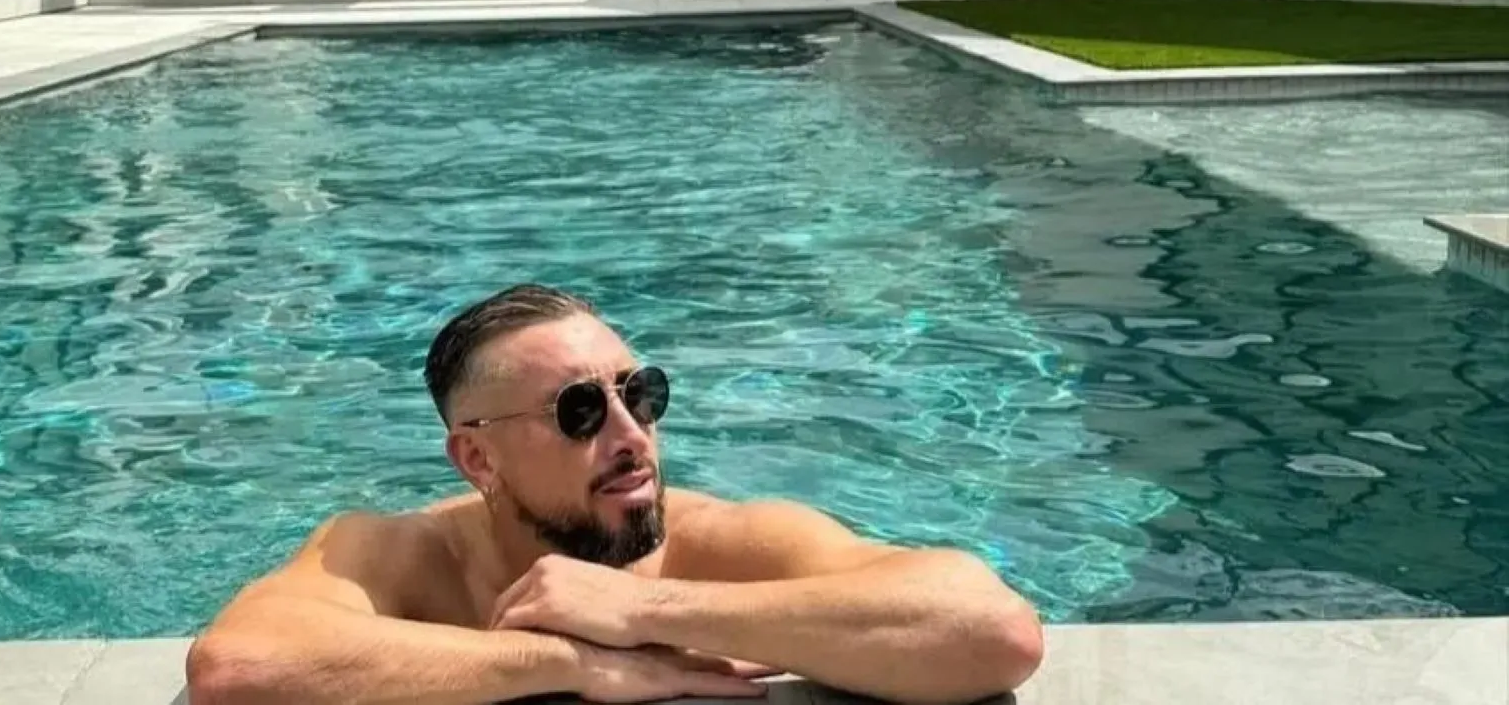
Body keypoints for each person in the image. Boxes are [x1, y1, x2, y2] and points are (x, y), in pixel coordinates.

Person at [186, 285, 1044, 705]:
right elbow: (240, 667)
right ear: (478, 458)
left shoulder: (724, 542)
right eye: (580, 410)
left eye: (641, 392)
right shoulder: (402, 552)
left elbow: (992, 628)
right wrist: (571, 661)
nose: (632, 433)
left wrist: (644, 610)